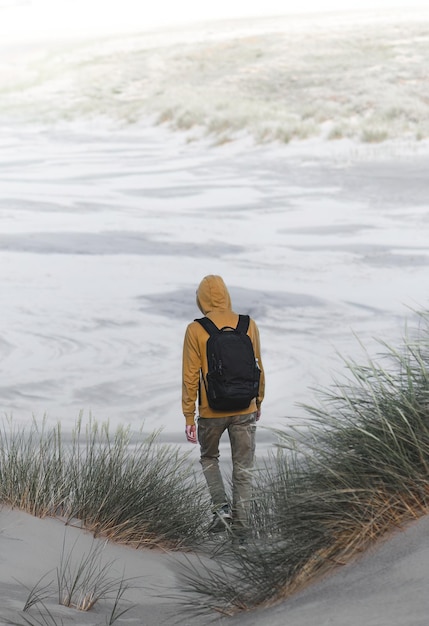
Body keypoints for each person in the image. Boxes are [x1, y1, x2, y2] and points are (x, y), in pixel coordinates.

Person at [182, 275, 265, 538]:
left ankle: (221, 510)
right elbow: (258, 365)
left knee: (209, 458)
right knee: (243, 468)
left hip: (211, 411)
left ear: (201, 299)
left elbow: (190, 375)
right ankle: (240, 531)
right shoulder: (248, 324)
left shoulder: (196, 329)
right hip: (245, 407)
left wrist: (188, 416)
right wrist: (258, 400)